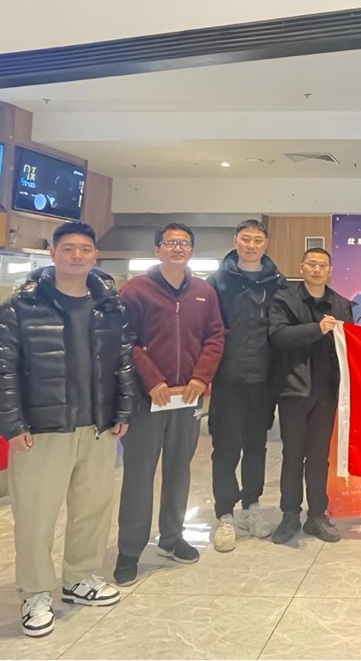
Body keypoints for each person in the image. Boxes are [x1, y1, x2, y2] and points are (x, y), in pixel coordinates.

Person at [0, 221, 136, 638]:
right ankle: (35, 592)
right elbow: (1, 370)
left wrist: (123, 409)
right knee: (35, 515)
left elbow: (123, 362)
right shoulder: (21, 307)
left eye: (85, 249)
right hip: (43, 428)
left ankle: (80, 578)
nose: (77, 255)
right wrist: (11, 423)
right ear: (53, 254)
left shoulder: (110, 305)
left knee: (93, 508)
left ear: (95, 256)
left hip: (98, 426)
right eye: (68, 248)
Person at [114, 223, 224, 582]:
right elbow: (125, 340)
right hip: (148, 398)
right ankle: (129, 550)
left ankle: (172, 537)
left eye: (184, 243)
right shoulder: (135, 290)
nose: (178, 248)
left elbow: (215, 337)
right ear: (157, 249)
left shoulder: (204, 292)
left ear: (191, 250)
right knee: (139, 474)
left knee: (179, 469)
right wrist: (152, 380)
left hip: (187, 398)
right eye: (170, 243)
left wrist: (200, 378)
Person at [205, 219, 285, 553]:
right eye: (246, 239)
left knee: (256, 445)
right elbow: (205, 330)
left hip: (264, 378)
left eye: (258, 240)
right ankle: (224, 513)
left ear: (266, 243)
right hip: (228, 378)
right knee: (226, 447)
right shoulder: (217, 282)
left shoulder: (277, 282)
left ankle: (252, 505)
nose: (251, 245)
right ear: (235, 240)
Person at [269, 248, 354, 544]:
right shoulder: (284, 299)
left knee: (319, 458)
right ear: (302, 267)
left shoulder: (342, 305)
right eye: (312, 264)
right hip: (293, 390)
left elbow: (351, 345)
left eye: (323, 265)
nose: (317, 269)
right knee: (292, 455)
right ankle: (290, 514)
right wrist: (317, 329)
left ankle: (317, 515)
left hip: (327, 392)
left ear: (330, 270)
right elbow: (278, 336)